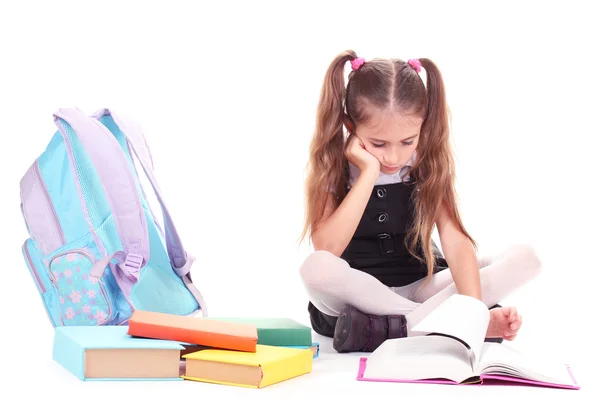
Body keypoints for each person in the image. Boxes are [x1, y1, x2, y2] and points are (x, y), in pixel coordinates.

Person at [298, 50, 542, 353]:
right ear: (350, 123)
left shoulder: (427, 162)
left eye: (407, 142)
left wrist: (472, 309)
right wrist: (367, 174)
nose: (393, 157)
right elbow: (327, 248)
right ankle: (442, 323)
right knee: (316, 268)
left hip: (421, 286)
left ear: (423, 125)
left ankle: (401, 328)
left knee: (525, 259)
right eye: (378, 144)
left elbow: (454, 240)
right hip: (356, 296)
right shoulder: (333, 164)